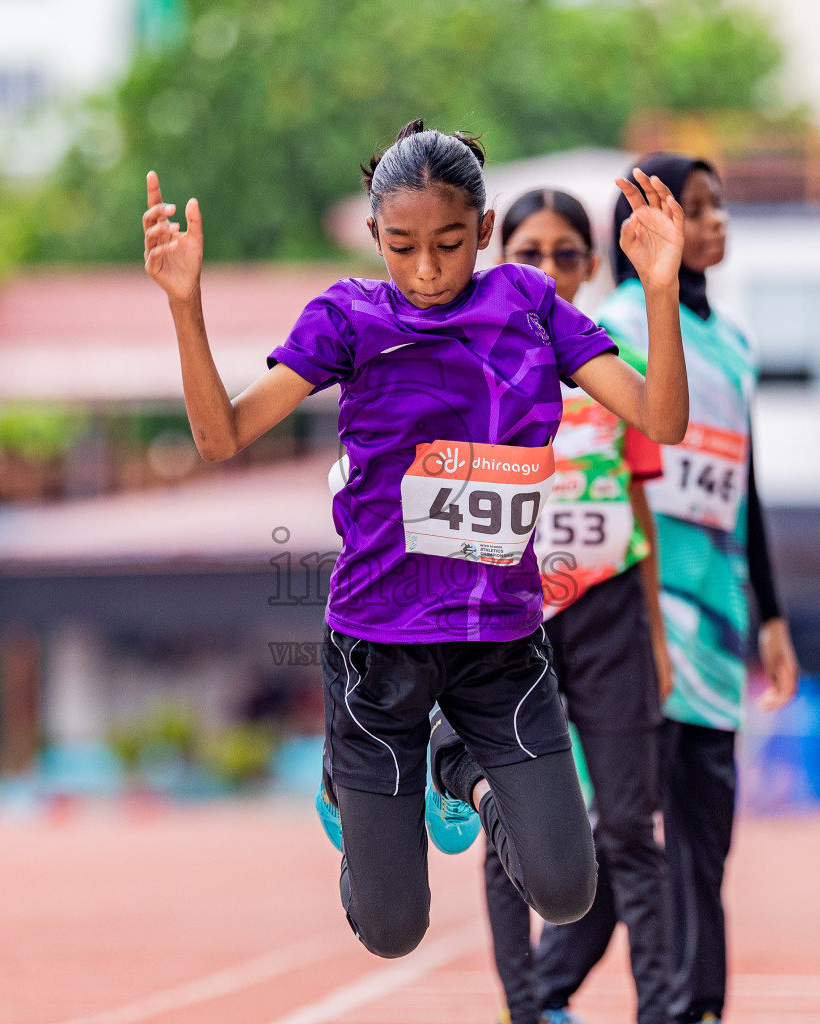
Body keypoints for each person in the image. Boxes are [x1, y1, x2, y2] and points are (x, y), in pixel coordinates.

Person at [141, 119, 692, 959]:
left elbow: (663, 418)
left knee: (568, 891)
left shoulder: (529, 306)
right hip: (377, 649)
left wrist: (660, 287)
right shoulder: (348, 317)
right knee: (393, 932)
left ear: (484, 227)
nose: (427, 270)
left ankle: (455, 766)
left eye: (447, 243)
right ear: (374, 236)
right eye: (402, 246)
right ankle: (355, 783)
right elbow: (221, 439)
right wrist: (186, 304)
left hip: (500, 644)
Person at [589, 153, 798, 1024]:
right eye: (696, 208)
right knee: (628, 833)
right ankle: (557, 989)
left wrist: (772, 614)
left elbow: (742, 483)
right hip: (634, 610)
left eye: (717, 208)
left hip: (717, 619)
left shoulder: (739, 346)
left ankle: (701, 1004)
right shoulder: (609, 325)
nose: (715, 223)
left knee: (707, 833)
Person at [478, 188, 671, 1024]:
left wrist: (657, 635)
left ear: (593, 267)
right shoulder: (471, 362)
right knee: (512, 826)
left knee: (630, 827)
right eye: (529, 252)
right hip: (507, 620)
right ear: (499, 259)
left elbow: (640, 501)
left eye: (566, 254)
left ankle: (661, 1008)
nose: (549, 269)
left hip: (610, 610)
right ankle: (528, 1009)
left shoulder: (617, 361)